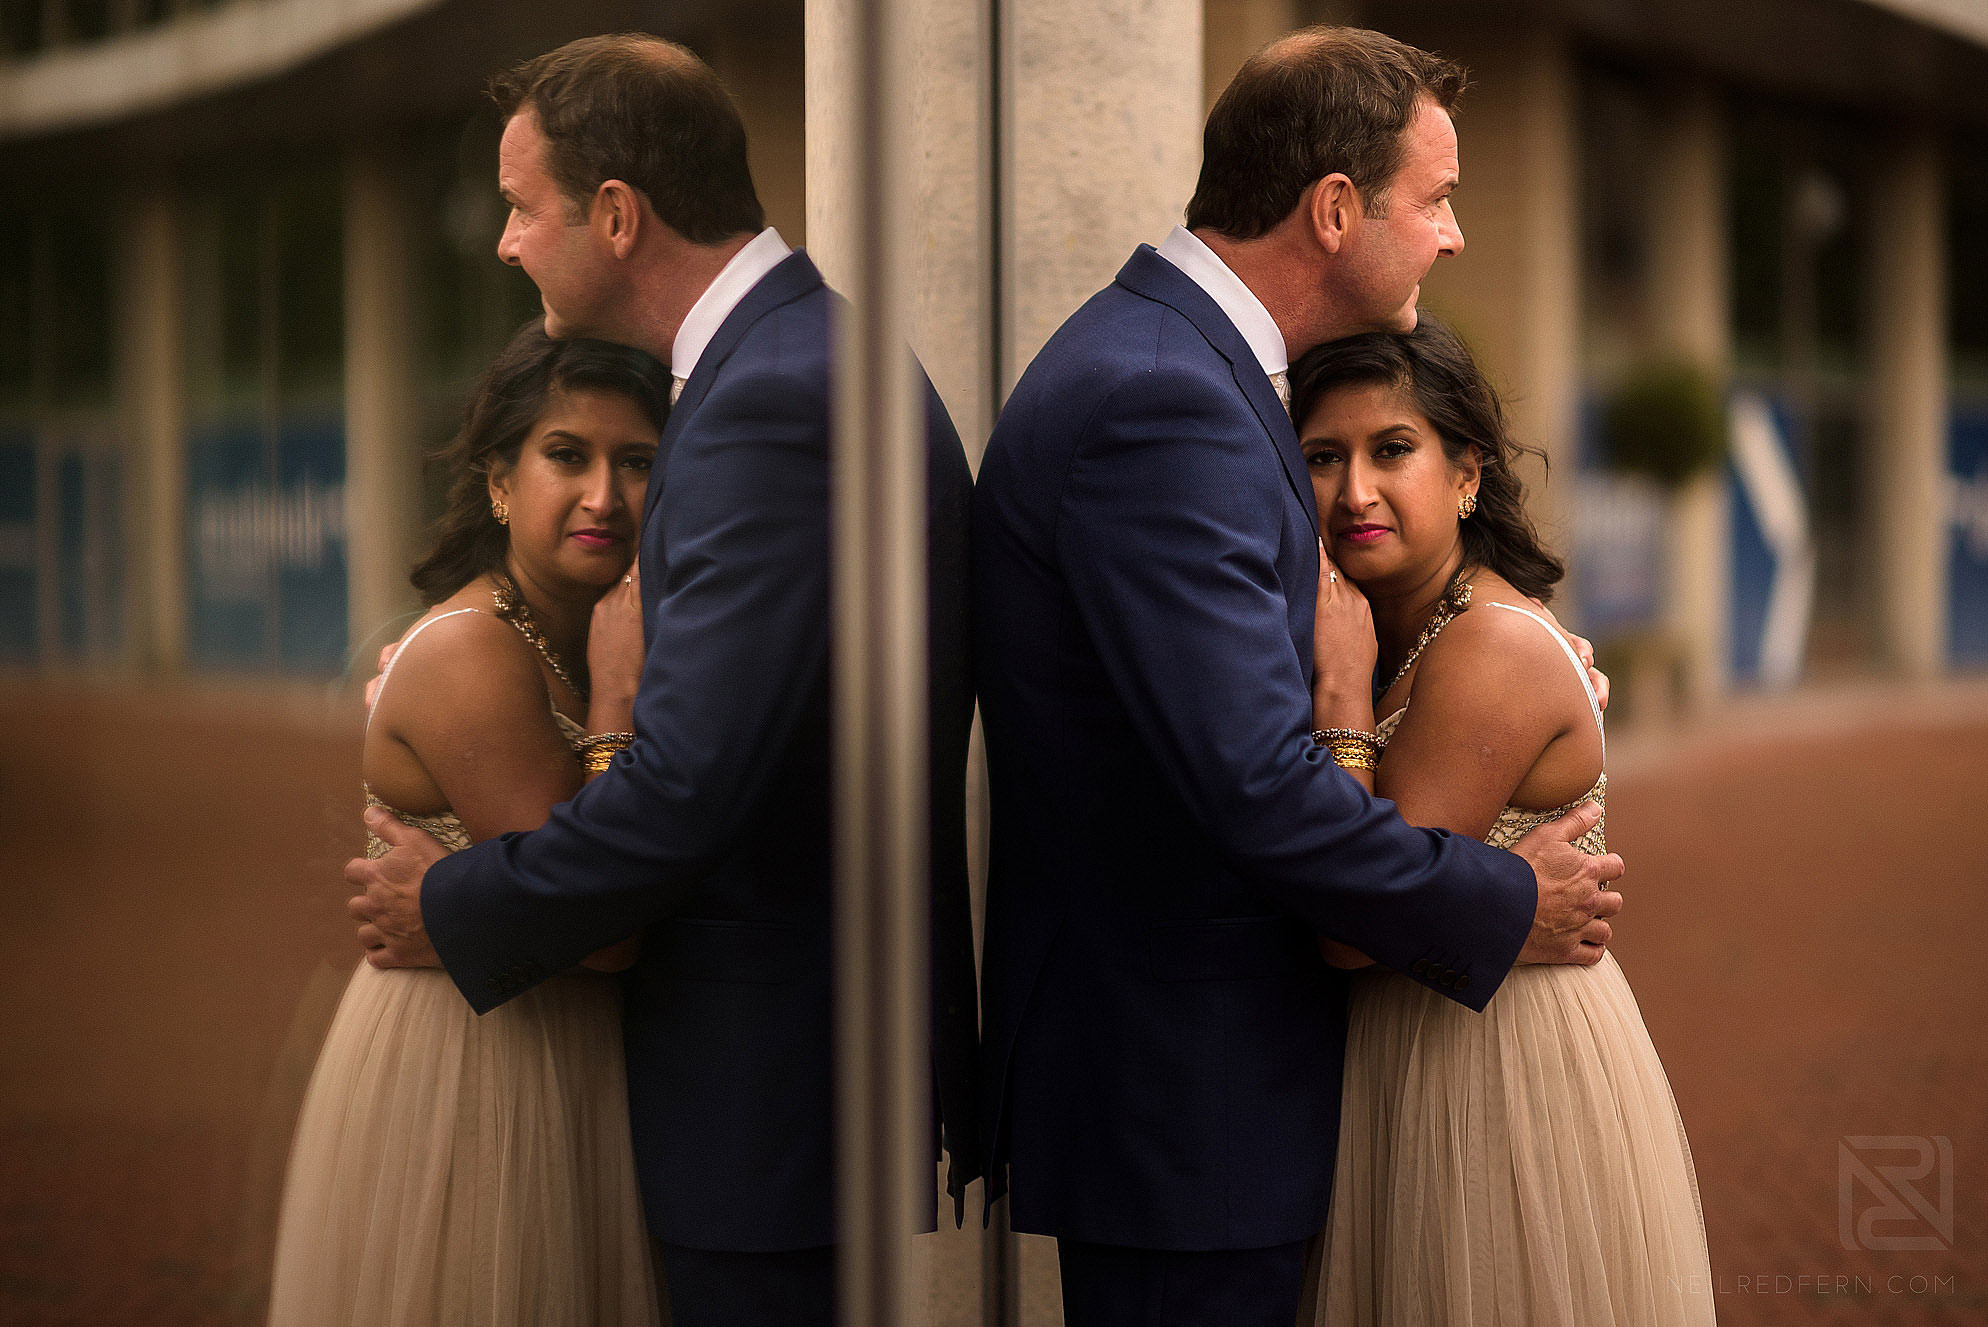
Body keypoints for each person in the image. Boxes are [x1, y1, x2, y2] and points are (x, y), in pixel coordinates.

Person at [971, 26, 1624, 1326]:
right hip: (1187, 1102)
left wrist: (1459, 657)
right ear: (1335, 208)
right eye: (1432, 199)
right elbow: (1257, 784)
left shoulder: (1187, 373)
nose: (1448, 235)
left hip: (1196, 1091)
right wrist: (1502, 898)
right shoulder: (1166, 398)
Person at [342, 35, 981, 1327]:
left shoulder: (770, 399)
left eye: (526, 207)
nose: (511, 241)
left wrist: (456, 900)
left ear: (619, 216)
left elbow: (689, 782)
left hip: (766, 1079)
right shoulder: (795, 363)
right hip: (795, 1061)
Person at [1293, 318, 1716, 1326]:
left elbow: (1354, 926)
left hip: (1490, 1071)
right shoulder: (1378, 623)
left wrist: (1345, 706)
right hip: (1400, 1057)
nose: (1355, 490)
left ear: (1465, 475)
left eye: (1391, 449)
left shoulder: (1489, 649)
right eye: (1321, 456)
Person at [267, 321, 670, 1327]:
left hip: (568, 1057)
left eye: (637, 463)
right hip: (475, 1071)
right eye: (565, 456)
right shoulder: (473, 654)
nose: (603, 498)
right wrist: (616, 709)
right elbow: (601, 922)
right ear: (499, 482)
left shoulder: (601, 628)